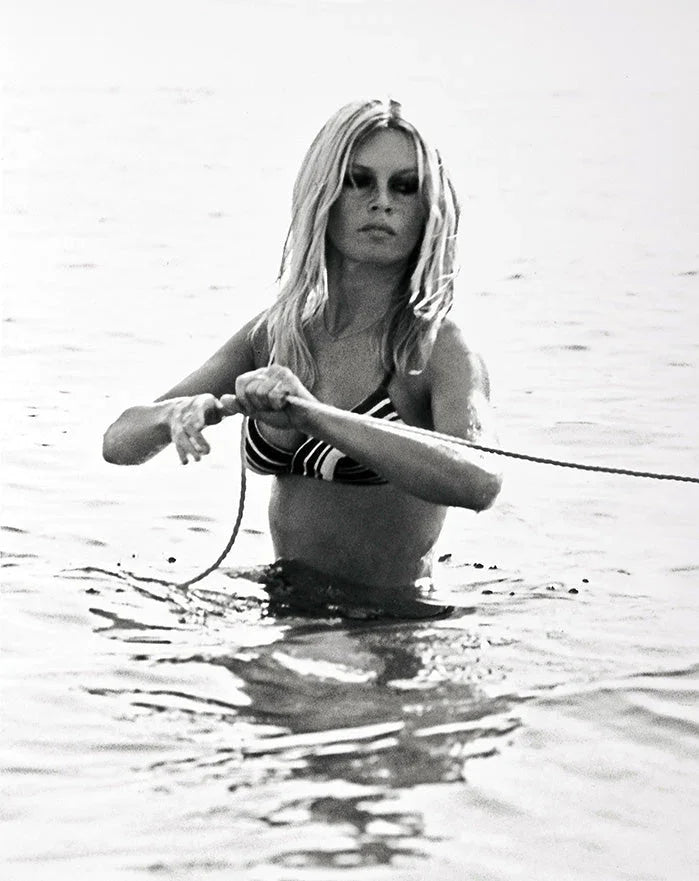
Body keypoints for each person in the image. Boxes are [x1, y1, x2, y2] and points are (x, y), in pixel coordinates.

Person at [103, 98, 502, 615]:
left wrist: (312, 416)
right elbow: (118, 442)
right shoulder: (277, 334)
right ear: (323, 194)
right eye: (359, 181)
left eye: (405, 187)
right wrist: (174, 415)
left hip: (389, 622)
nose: (382, 203)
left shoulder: (434, 348)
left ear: (428, 209)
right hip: (284, 607)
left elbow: (479, 479)